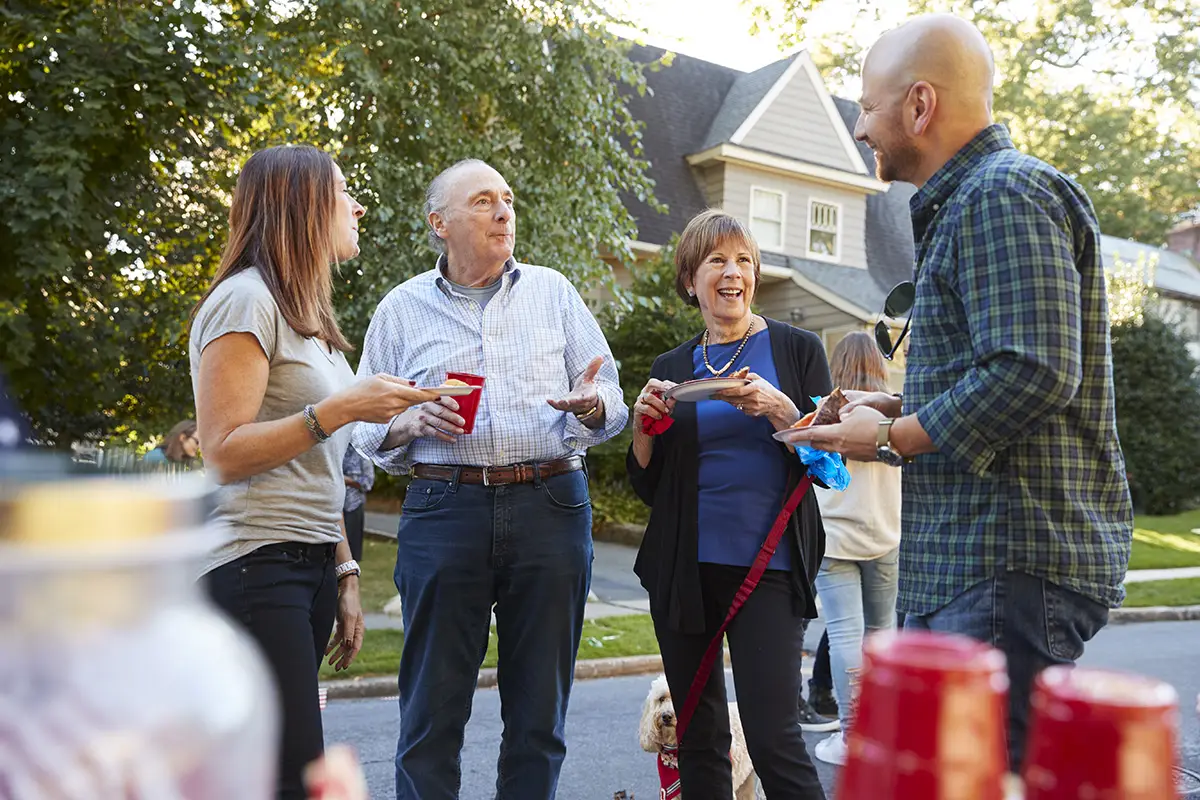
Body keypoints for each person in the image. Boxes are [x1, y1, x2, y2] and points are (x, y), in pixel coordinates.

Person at [784, 14, 1133, 769]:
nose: (858, 124)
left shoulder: (1000, 194)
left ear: (918, 105)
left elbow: (1035, 370)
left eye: (867, 105)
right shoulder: (976, 203)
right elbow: (1002, 375)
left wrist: (887, 439)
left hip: (1004, 564)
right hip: (978, 567)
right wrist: (893, 408)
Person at [351, 159, 628, 800]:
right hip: (444, 507)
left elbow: (609, 398)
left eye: (507, 197)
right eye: (482, 200)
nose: (504, 211)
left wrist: (591, 404)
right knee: (431, 711)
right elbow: (361, 433)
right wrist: (407, 420)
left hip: (552, 502)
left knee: (538, 713)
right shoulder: (400, 310)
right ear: (439, 223)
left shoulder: (554, 292)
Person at [189, 144, 438, 800]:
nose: (358, 205)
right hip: (253, 566)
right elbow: (222, 450)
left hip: (306, 568)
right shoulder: (245, 302)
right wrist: (339, 409)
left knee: (282, 773)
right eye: (343, 191)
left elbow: (317, 466)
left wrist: (346, 570)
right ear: (300, 206)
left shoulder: (310, 323)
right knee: (295, 778)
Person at [628, 209, 829, 799]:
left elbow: (831, 465)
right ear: (691, 279)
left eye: (743, 260)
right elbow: (650, 487)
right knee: (698, 735)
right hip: (684, 571)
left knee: (773, 737)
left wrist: (783, 412)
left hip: (770, 567)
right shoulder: (671, 368)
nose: (732, 272)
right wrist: (643, 429)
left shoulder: (796, 351)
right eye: (716, 260)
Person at [807, 332, 901, 766]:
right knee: (882, 636)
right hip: (884, 536)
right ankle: (882, 733)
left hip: (835, 538)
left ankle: (851, 737)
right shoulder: (894, 414)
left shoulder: (824, 411)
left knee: (846, 634)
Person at [341, 443, 374, 561]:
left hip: (353, 506)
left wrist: (347, 481)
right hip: (333, 506)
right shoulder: (337, 449)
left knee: (351, 554)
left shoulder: (362, 454)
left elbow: (368, 482)